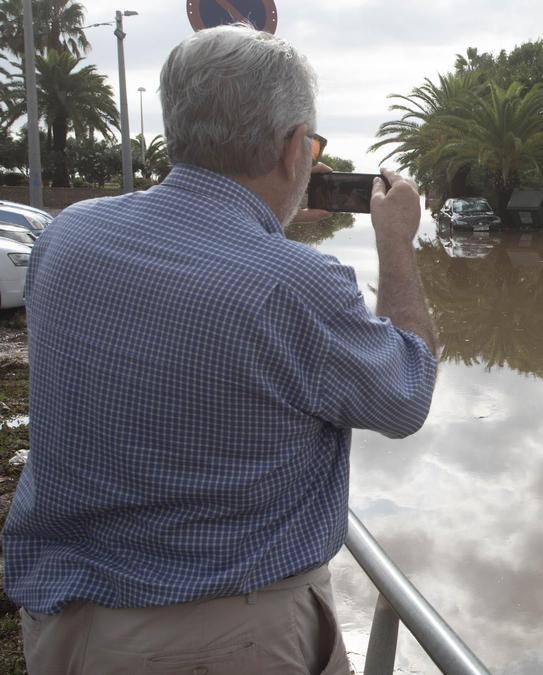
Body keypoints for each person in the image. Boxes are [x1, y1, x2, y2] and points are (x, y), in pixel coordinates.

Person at [2, 25, 437, 674]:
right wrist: (397, 242)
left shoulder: (67, 238)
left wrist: (267, 216)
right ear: (296, 149)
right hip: (222, 642)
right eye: (310, 147)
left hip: (62, 625)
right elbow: (406, 392)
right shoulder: (298, 283)